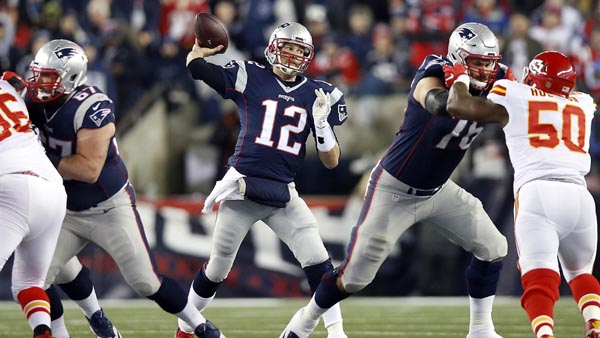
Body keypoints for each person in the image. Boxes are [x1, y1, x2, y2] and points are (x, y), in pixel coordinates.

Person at [279, 22, 510, 338]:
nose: (485, 70)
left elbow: (526, 99)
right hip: (395, 189)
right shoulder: (434, 71)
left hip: (439, 190)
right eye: (478, 62)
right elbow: (444, 104)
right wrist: (463, 89)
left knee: (494, 246)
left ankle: (481, 330)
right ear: (458, 58)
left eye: (489, 62)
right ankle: (306, 320)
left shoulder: (500, 78)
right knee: (354, 278)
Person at [23, 39, 225, 338]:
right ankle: (86, 322)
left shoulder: (93, 106)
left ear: (72, 77)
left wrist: (36, 157)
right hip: (64, 207)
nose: (39, 83)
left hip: (108, 206)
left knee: (146, 282)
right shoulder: (31, 99)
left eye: (49, 77)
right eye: (38, 74)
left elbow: (88, 170)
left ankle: (201, 326)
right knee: (34, 277)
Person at [176, 22, 349, 338]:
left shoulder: (317, 94)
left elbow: (331, 161)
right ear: (273, 48)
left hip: (282, 192)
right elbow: (198, 70)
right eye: (289, 48)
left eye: (301, 51)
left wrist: (322, 126)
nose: (294, 55)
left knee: (320, 261)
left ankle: (336, 332)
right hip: (243, 187)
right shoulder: (250, 75)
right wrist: (197, 53)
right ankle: (186, 326)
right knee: (217, 269)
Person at [445, 50, 600, 338]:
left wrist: (459, 80)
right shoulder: (583, 103)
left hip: (539, 193)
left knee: (539, 276)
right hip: (580, 197)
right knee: (582, 273)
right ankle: (594, 323)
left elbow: (460, 106)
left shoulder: (513, 94)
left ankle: (545, 334)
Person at [0, 72, 67, 338]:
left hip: (15, 186)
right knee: (28, 284)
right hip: (52, 188)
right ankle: (43, 332)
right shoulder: (7, 84)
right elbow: (16, 81)